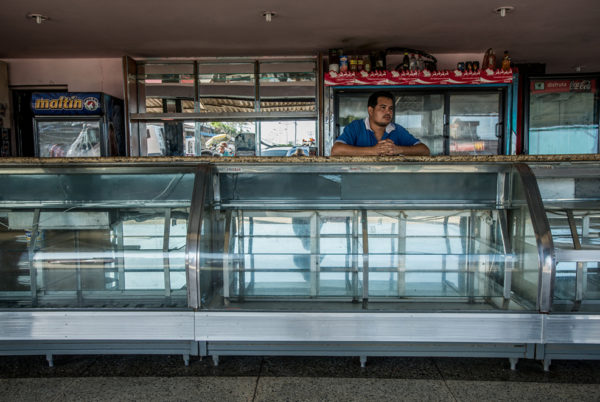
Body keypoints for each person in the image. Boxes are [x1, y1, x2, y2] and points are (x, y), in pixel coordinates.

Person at [330, 91, 430, 156]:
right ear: (371, 110)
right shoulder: (355, 127)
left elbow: (425, 151)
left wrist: (397, 149)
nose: (388, 112)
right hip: (358, 183)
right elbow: (336, 150)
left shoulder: (397, 130)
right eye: (383, 108)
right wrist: (373, 151)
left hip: (388, 183)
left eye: (390, 108)